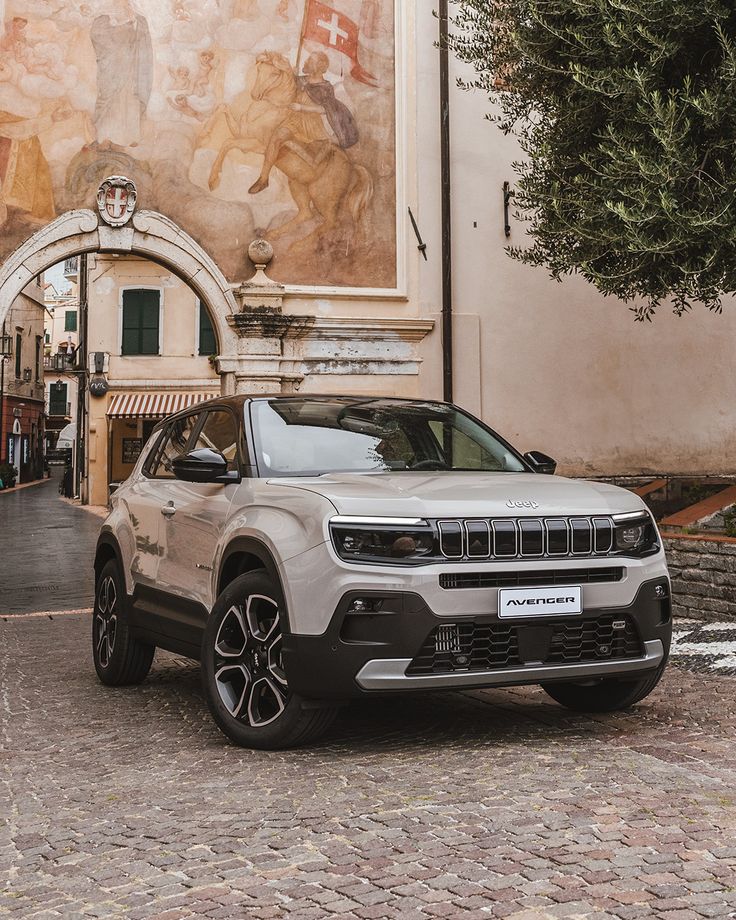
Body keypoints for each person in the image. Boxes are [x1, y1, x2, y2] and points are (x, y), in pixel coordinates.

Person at [248, 51, 358, 195]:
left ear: (319, 67)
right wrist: (287, 68)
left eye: (309, 61)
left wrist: (302, 107)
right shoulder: (303, 80)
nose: (305, 63)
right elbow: (289, 82)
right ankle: (264, 178)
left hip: (311, 124)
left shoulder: (325, 87)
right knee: (276, 137)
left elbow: (325, 108)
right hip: (295, 121)